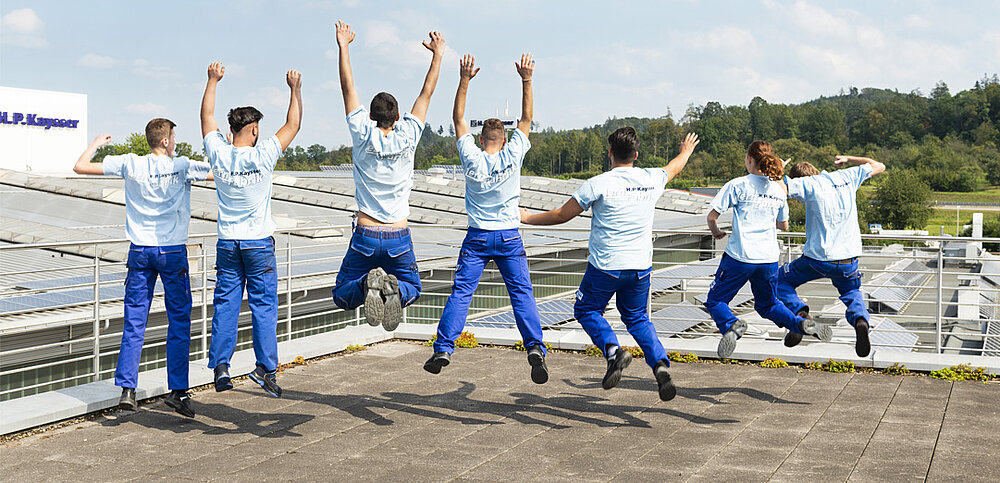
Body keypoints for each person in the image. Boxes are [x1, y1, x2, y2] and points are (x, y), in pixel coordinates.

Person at [521, 127, 700, 401]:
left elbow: (560, 216)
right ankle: (661, 366)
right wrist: (685, 151)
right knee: (638, 318)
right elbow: (674, 168)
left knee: (586, 309)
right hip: (640, 266)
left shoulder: (598, 183)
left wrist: (526, 217)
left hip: (606, 266)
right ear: (636, 155)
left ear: (610, 154)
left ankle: (613, 352)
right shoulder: (651, 178)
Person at [72, 119, 212, 418]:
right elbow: (220, 174)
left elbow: (80, 167)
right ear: (165, 141)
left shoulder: (131, 163)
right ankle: (178, 391)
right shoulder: (183, 166)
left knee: (135, 321)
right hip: (172, 251)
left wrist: (97, 143)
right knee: (178, 322)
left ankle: (127, 390)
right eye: (173, 137)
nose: (175, 142)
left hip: (139, 252)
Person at [424, 53, 549, 383]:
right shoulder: (514, 153)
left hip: (477, 237)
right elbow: (526, 118)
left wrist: (464, 81)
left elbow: (458, 119)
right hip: (509, 235)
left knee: (461, 294)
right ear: (505, 140)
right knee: (521, 294)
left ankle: (443, 348)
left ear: (481, 140)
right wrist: (526, 79)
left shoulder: (471, 157)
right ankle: (535, 347)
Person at [330, 21, 444, 330]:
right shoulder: (409, 132)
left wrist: (344, 46)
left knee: (341, 294)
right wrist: (437, 55)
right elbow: (427, 91)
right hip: (399, 235)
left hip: (366, 233)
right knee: (414, 288)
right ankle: (394, 288)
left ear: (370, 116)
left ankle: (368, 285)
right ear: (398, 116)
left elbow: (347, 87)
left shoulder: (362, 132)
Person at [200, 61, 302, 397]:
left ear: (232, 132)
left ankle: (221, 367)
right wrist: (294, 89)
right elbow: (293, 124)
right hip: (258, 244)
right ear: (255, 130)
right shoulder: (265, 155)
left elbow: (206, 118)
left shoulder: (219, 152)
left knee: (226, 304)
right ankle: (265, 369)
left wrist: (212, 81)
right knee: (263, 307)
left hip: (228, 243)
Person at [704, 140, 830, 360]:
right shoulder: (778, 189)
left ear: (750, 159)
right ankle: (799, 323)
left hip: (740, 256)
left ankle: (732, 325)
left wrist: (716, 232)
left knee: (716, 301)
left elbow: (712, 217)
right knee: (769, 304)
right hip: (769, 259)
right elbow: (784, 226)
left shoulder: (738, 185)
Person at [776, 156, 885, 357]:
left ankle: (799, 314)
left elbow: (779, 188)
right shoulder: (847, 176)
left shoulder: (808, 184)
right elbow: (879, 166)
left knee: (779, 280)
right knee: (852, 292)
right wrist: (849, 158)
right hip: (848, 260)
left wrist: (778, 170)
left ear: (800, 180)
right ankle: (861, 320)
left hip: (817, 260)